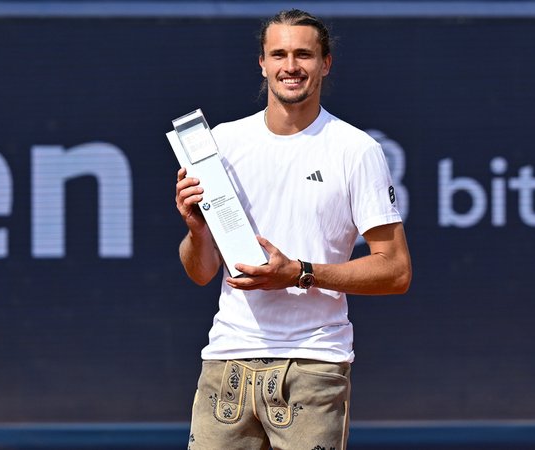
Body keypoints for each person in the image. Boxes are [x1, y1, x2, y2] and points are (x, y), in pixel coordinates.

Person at [175, 9, 412, 450]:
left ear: (326, 64)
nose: (291, 66)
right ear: (262, 63)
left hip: (314, 365)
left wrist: (301, 271)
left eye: (304, 54)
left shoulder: (356, 150)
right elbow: (201, 271)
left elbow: (396, 271)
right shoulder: (221, 144)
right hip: (226, 362)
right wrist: (196, 231)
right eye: (279, 54)